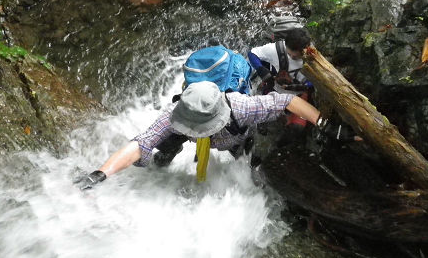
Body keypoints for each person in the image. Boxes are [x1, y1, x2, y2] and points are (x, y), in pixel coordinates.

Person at [75, 80, 327, 189]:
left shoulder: (242, 107)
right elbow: (141, 144)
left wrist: (323, 122)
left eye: (200, 129)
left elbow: (288, 101)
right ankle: (162, 164)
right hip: (182, 134)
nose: (197, 133)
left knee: (245, 163)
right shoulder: (173, 114)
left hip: (235, 138)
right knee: (164, 150)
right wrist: (100, 174)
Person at [248, 27, 313, 96]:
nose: (292, 57)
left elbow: (317, 82)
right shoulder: (277, 49)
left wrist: (307, 86)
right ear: (285, 44)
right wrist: (261, 70)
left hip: (297, 95)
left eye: (296, 57)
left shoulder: (313, 58)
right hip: (274, 90)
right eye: (289, 54)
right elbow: (252, 53)